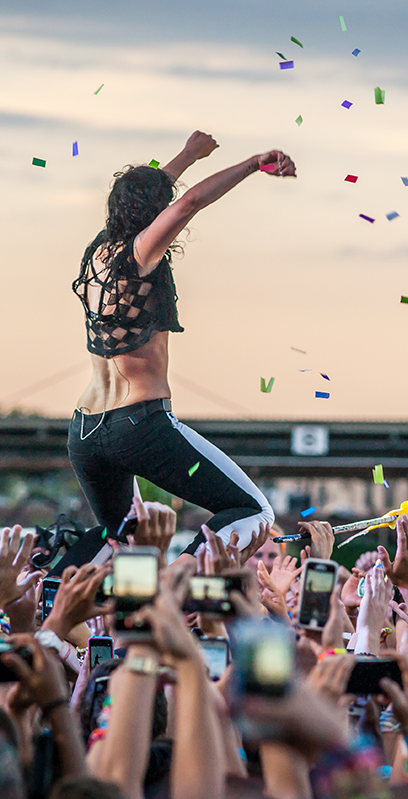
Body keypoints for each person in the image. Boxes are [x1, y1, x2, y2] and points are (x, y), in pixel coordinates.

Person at [68, 131, 295, 555]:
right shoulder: (139, 255)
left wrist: (189, 155)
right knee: (252, 510)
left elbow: (150, 195)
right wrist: (252, 164)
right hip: (138, 426)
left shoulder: (100, 250)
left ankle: (65, 590)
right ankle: (181, 581)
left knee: (122, 544)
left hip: (84, 431)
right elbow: (188, 204)